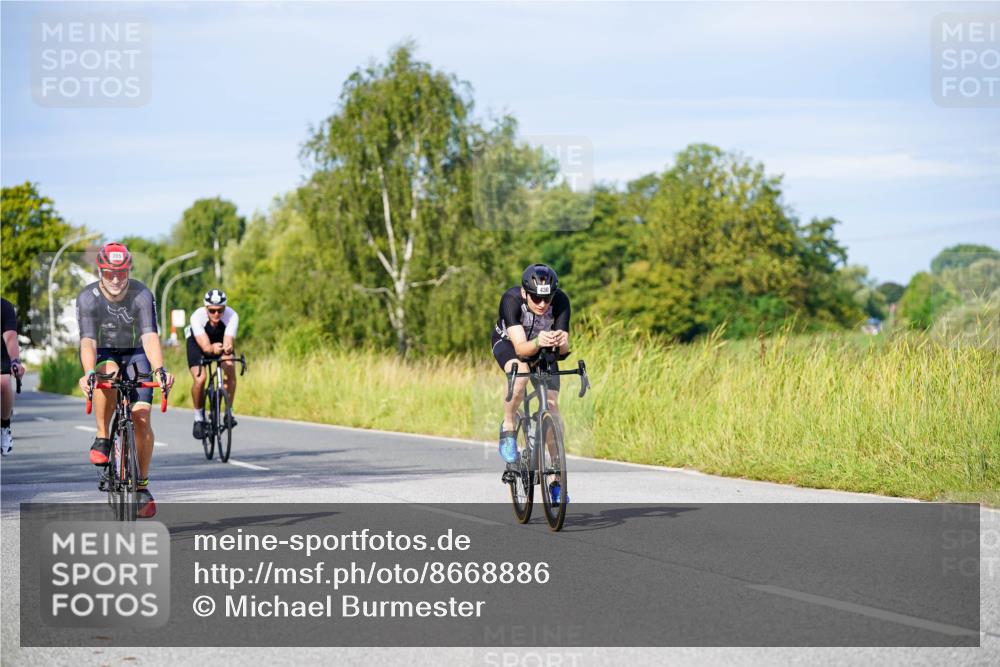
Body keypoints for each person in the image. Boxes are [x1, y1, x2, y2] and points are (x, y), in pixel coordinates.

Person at [75, 242, 174, 518]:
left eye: (121, 272)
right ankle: (103, 437)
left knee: (141, 418)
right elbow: (87, 341)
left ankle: (141, 485)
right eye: (109, 273)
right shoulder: (88, 297)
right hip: (105, 352)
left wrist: (159, 369)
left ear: (128, 269)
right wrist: (88, 372)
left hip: (136, 353)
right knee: (107, 371)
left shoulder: (141, 293)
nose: (116, 279)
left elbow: (149, 336)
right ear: (100, 271)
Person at [491, 263, 571, 504]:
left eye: (547, 298)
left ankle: (556, 479)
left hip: (543, 345)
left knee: (553, 407)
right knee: (522, 373)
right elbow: (521, 348)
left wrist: (562, 341)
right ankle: (507, 426)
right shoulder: (511, 300)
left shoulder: (561, 302)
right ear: (526, 293)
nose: (543, 304)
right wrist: (538, 342)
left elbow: (564, 351)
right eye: (537, 298)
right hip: (510, 343)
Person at [186, 289, 239, 439]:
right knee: (200, 378)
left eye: (220, 310)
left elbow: (228, 341)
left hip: (220, 341)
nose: (216, 314)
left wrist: (227, 348)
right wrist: (212, 349)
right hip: (198, 343)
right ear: (206, 308)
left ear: (225, 308)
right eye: (212, 311)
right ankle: (198, 417)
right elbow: (206, 347)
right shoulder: (197, 317)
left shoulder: (232, 315)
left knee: (229, 366)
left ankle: (228, 411)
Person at [1, 298, 26, 456]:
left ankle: (4, 425)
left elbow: (10, 337)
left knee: (3, 382)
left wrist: (15, 361)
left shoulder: (4, 306)